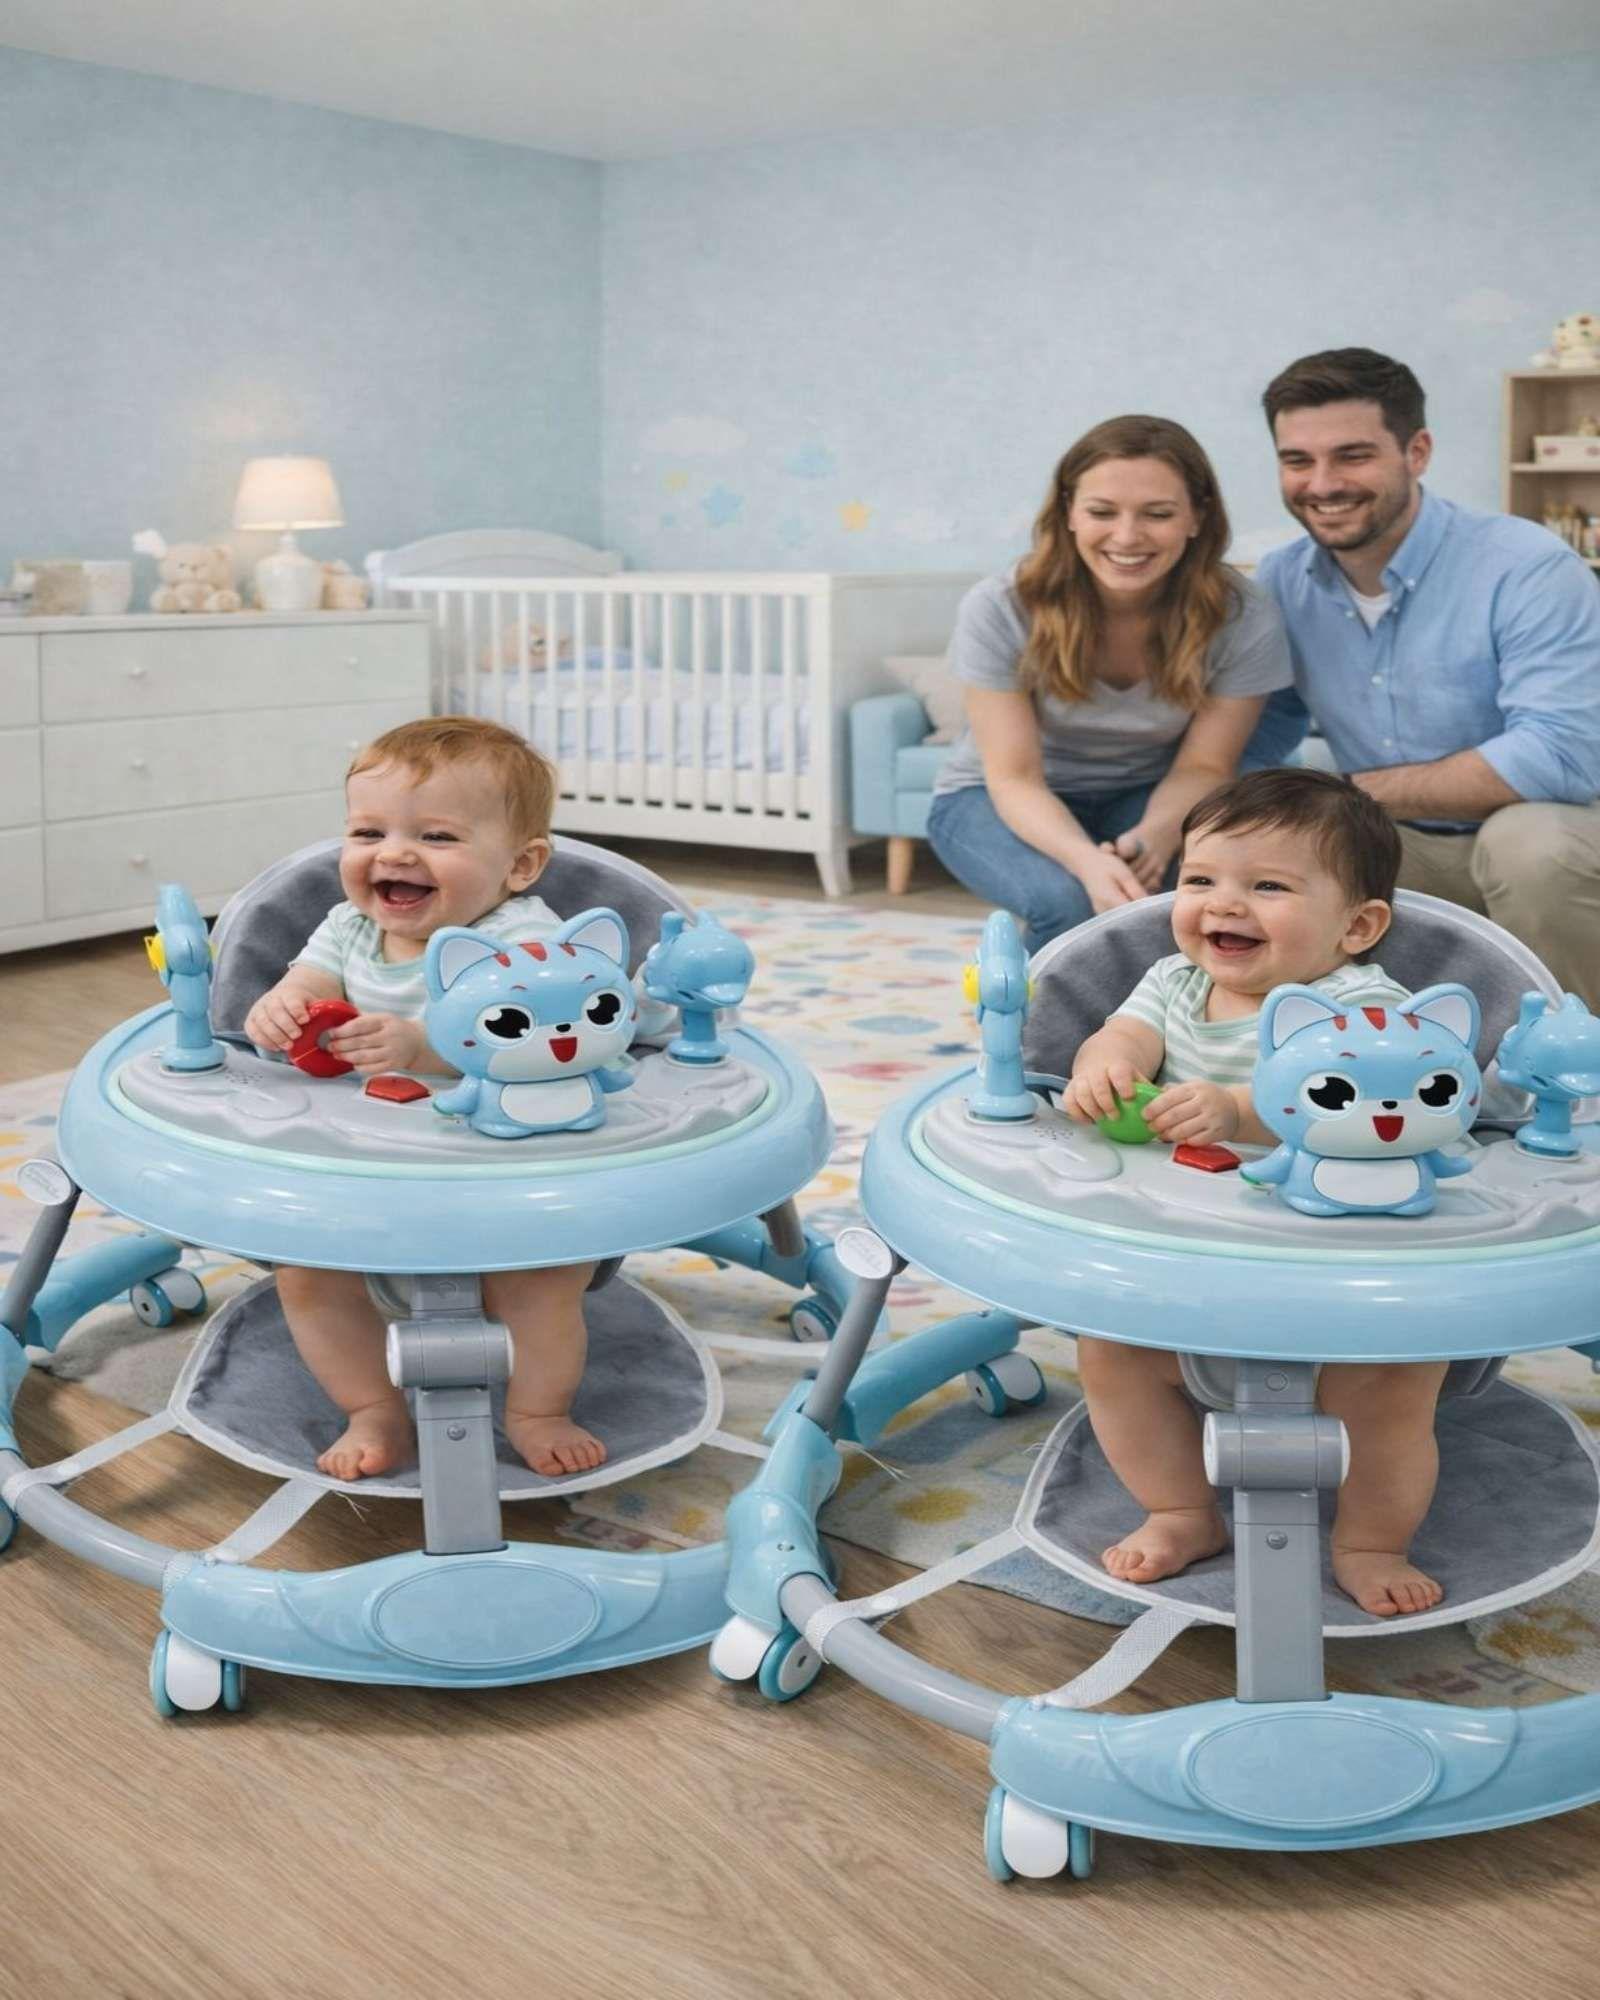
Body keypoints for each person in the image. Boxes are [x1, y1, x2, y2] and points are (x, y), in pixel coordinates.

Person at [1062, 768, 1449, 1619]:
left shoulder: (1364, 1008)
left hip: (1346, 1280)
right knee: (1110, 1353)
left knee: (1392, 1385)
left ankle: (1371, 1541)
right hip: (1192, 1269)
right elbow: (1119, 1034)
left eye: (1268, 886)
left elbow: (1364, 1101)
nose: (1225, 904)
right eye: (1200, 879)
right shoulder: (1173, 983)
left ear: (1357, 926)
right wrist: (1104, 1068)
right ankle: (1180, 1510)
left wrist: (1238, 1111)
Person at [244, 716, 617, 1483]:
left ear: (521, 865)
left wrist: (422, 1046)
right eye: (367, 832)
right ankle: (371, 1408)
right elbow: (305, 985)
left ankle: (538, 1411)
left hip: (503, 1170)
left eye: (437, 836)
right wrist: (279, 1009)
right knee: (305, 1274)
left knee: (544, 1280)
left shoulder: (526, 942)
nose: (394, 854)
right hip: (367, 1165)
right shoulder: (348, 927)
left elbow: (541, 1039)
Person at [1253, 347, 1600, 1007]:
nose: (1322, 484)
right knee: (1285, 857)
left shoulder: (1528, 567)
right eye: (1297, 460)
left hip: (1549, 830)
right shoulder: (1279, 581)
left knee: (1529, 847)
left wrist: (1348, 795)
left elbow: (1557, 756)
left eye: (1352, 456)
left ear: (1417, 452)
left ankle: (1576, 1052)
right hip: (1397, 844)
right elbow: (1259, 735)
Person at [926, 415, 1293, 957]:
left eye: (1158, 514)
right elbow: (1014, 777)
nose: (1126, 537)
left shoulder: (1244, 614)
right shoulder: (999, 607)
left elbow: (1205, 766)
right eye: (1102, 512)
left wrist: (1157, 835)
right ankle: (1032, 1014)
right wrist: (1086, 861)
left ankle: (1153, 1013)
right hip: (992, 795)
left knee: (1172, 899)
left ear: (1197, 516)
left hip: (1148, 791)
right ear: (1069, 513)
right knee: (1068, 900)